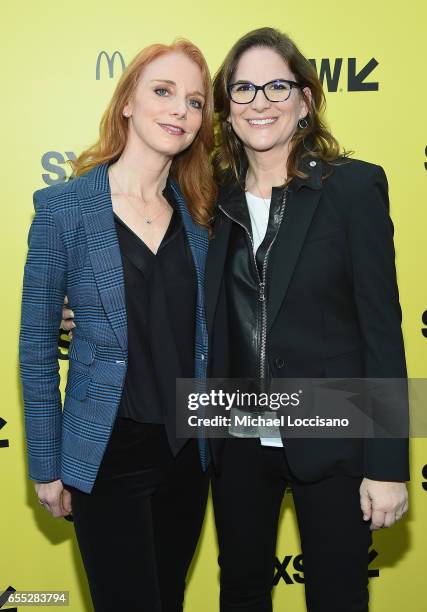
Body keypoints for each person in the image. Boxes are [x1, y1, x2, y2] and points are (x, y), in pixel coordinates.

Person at [205, 27, 409, 612]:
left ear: (306, 99)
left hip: (333, 432)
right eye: (243, 88)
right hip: (234, 434)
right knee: (241, 592)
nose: (259, 101)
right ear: (226, 107)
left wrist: (388, 464)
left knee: (339, 596)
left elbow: (382, 332)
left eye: (276, 85)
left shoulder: (353, 188)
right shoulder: (206, 196)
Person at [19, 39, 216, 612]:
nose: (180, 110)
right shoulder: (65, 209)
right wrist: (46, 464)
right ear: (127, 101)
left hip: (189, 451)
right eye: (163, 91)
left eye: (195, 101)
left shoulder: (202, 212)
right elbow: (36, 347)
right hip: (107, 451)